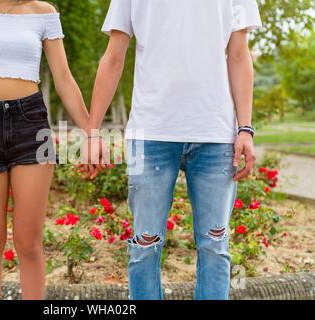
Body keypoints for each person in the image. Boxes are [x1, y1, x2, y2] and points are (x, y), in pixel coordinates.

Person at [83, 0, 262, 300]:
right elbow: (114, 56)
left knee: (215, 247)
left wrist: (245, 128)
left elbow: (239, 54)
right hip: (150, 133)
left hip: (215, 134)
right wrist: (92, 132)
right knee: (144, 248)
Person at [0, 0, 89, 300]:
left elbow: (64, 79)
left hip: (31, 125)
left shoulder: (44, 12)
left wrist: (92, 133)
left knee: (29, 243)